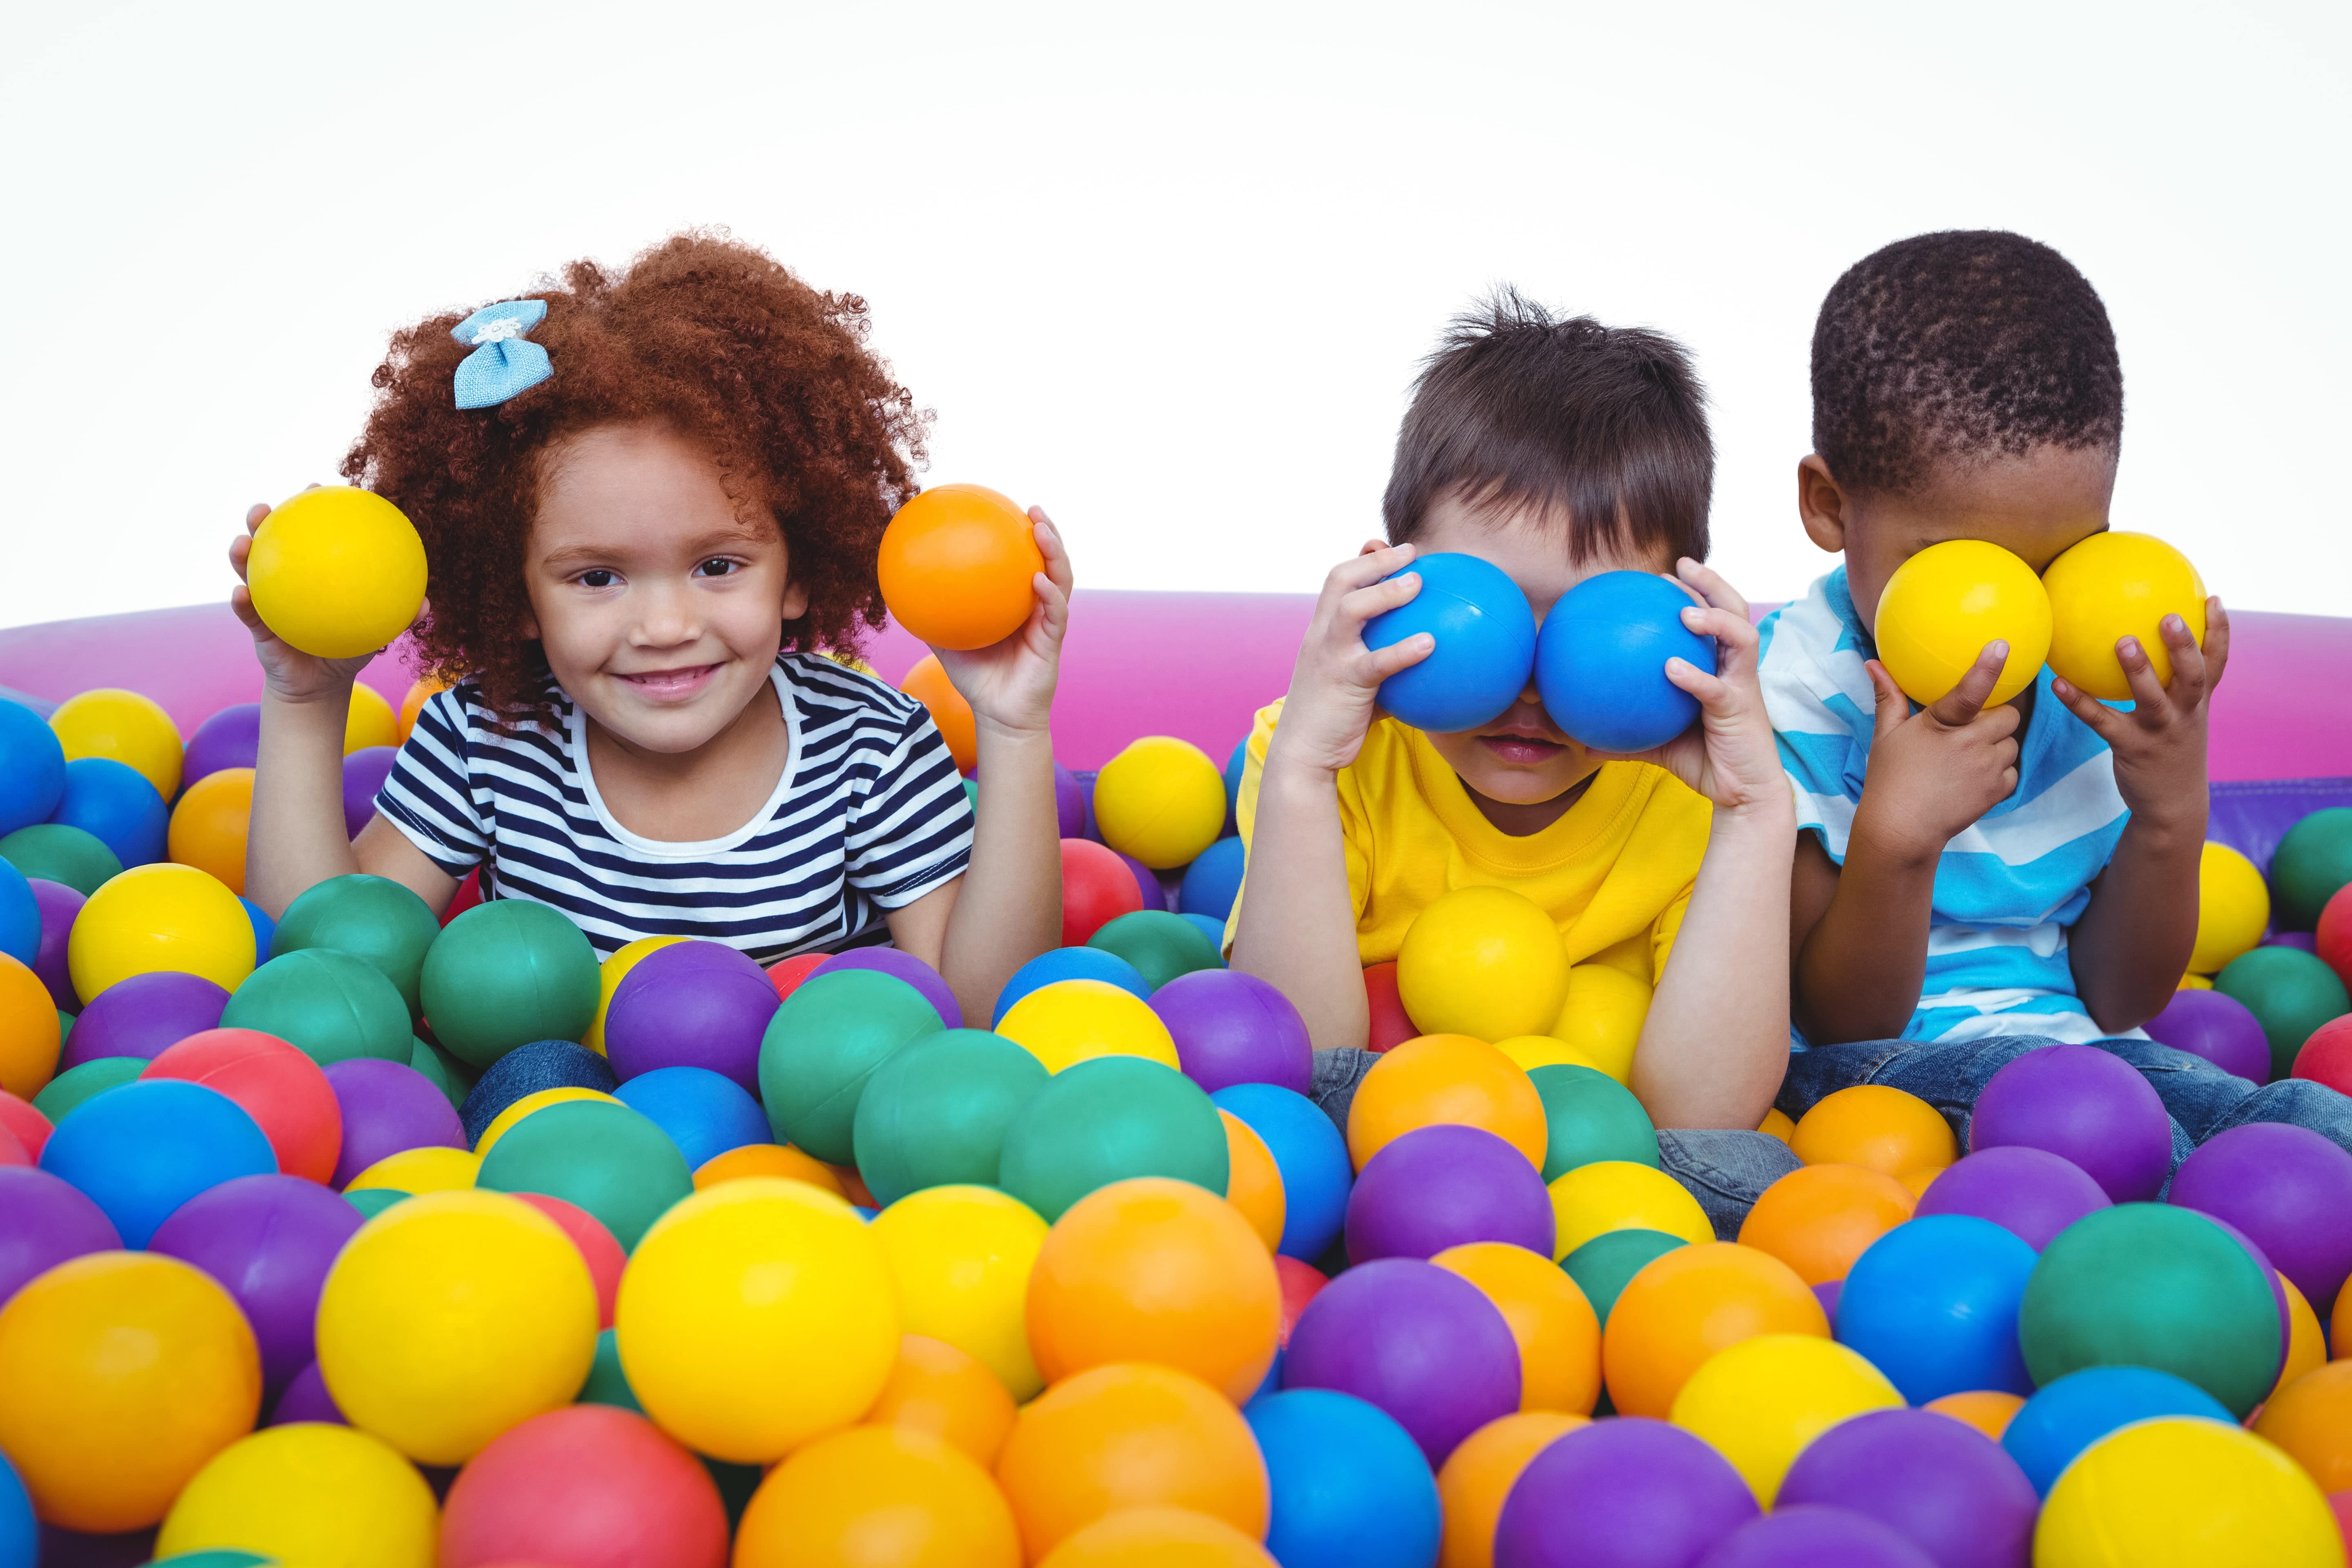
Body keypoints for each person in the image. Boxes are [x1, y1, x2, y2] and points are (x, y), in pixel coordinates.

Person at [232, 232, 1070, 1027]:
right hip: (543, 1137)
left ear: (799, 569)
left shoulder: (869, 747)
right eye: (598, 578)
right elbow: (321, 973)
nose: (666, 626)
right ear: (514, 592)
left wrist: (1011, 724)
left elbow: (983, 1008)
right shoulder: (486, 740)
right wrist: (307, 697)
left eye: (717, 566)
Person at [1760, 228, 2351, 1157]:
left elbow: (2121, 997)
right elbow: (1838, 1022)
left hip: (2090, 1060)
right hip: (1870, 1090)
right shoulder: (1788, 697)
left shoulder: (2083, 687)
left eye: (2067, 562)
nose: (2024, 623)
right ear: (1830, 507)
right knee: (2097, 1124)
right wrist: (1896, 839)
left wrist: (2168, 809)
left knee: (2302, 1131)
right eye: (1965, 571)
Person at [1229, 293, 1802, 1232]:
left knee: (1745, 1172)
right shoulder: (1318, 751)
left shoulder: (1690, 785)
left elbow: (1705, 1117)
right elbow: (1296, 1066)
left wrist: (1755, 814)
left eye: (1586, 625)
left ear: (1676, 615)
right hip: (1376, 1142)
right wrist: (1302, 772)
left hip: (1602, 1170)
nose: (1527, 682)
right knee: (1265, 1136)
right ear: (1387, 582)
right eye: (1481, 614)